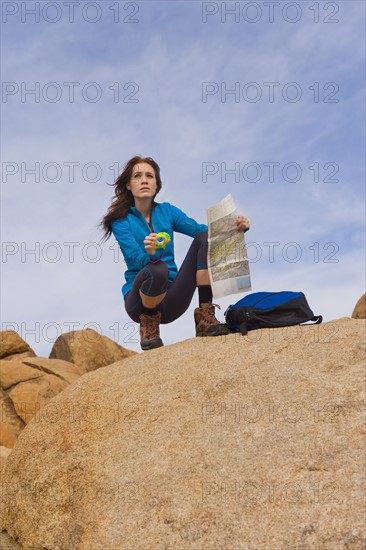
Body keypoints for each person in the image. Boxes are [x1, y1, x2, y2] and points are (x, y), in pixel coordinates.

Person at [99, 155, 250, 351]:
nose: (144, 180)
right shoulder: (120, 221)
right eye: (137, 176)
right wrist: (152, 254)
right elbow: (136, 260)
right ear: (129, 185)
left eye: (149, 176)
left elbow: (200, 230)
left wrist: (235, 228)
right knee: (158, 268)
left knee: (204, 238)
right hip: (139, 301)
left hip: (172, 301)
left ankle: (205, 316)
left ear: (156, 185)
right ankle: (150, 326)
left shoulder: (167, 212)